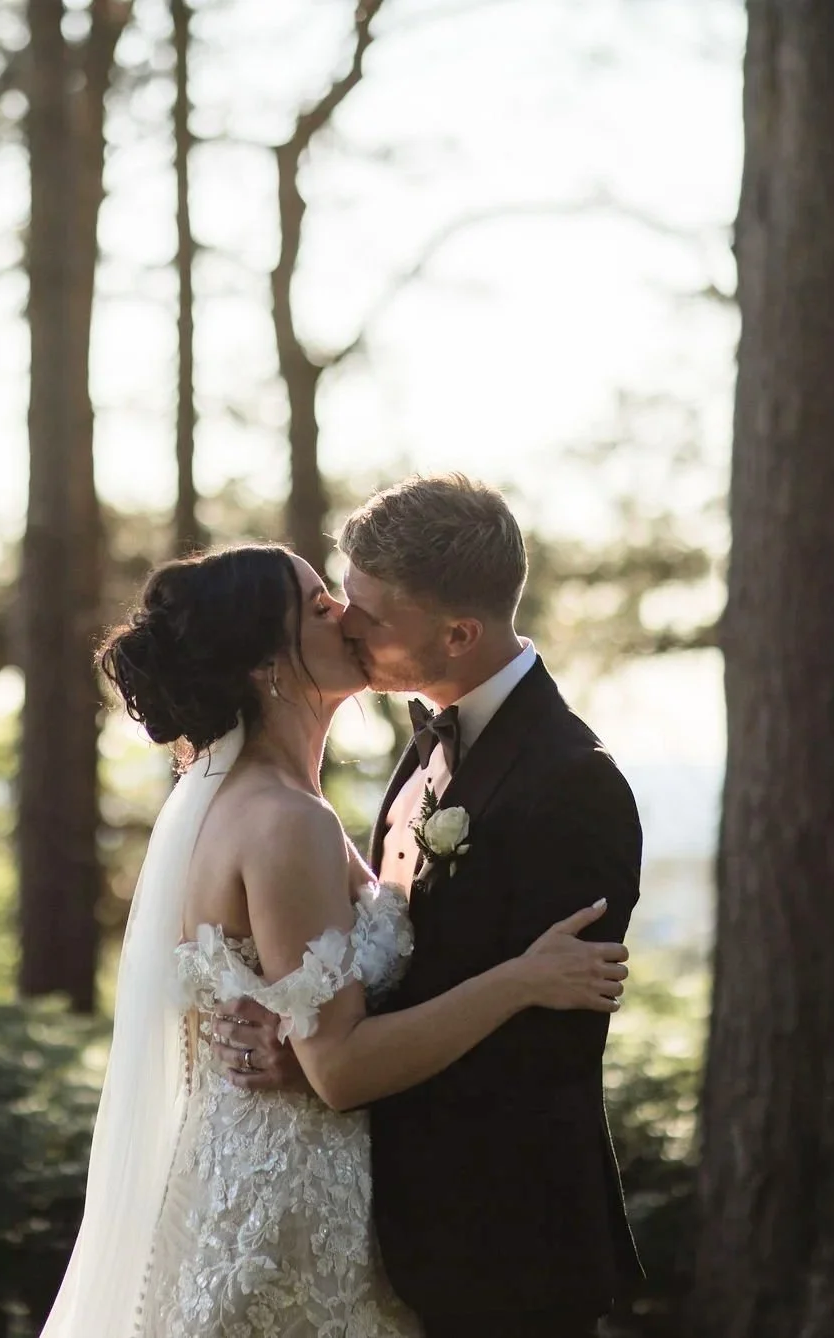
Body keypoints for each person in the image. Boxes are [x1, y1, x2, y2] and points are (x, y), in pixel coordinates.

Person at [38, 530, 632, 1338]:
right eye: (319, 606)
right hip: (288, 1210)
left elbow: (325, 1026)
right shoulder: (285, 820)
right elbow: (343, 1069)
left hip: (306, 1190)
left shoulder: (260, 801)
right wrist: (521, 979)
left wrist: (299, 1040)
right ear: (268, 664)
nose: (346, 616)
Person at [205, 476, 645, 1337]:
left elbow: (541, 1047)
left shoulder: (573, 785)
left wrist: (330, 1066)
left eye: (371, 614)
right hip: (407, 1237)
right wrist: (310, 1036)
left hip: (505, 1247)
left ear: (458, 634)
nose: (344, 623)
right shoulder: (423, 753)